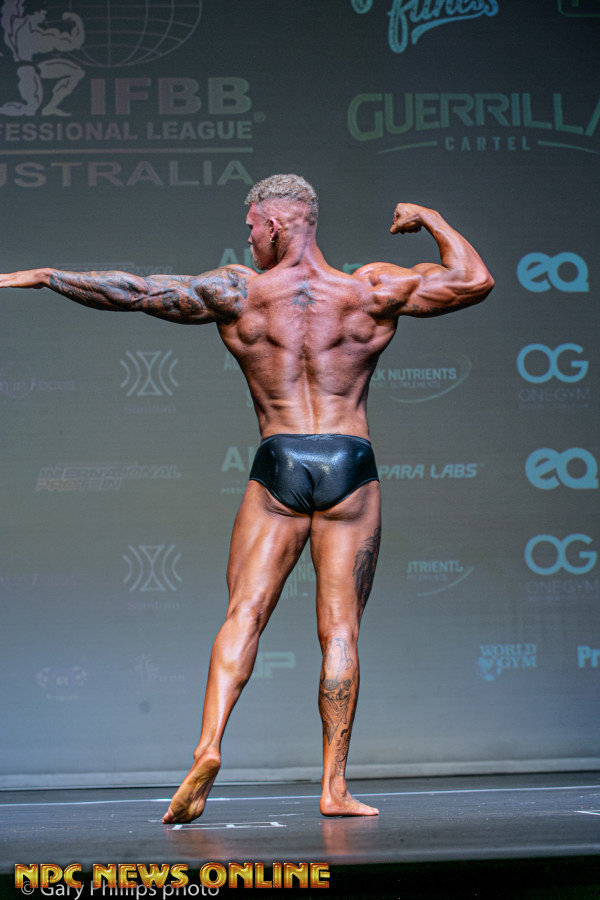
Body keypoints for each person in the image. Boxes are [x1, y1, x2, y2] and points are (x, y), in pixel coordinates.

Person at [0, 174, 494, 822]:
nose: (249, 239)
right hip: (349, 460)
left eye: (253, 227)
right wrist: (429, 215)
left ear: (277, 225)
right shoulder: (371, 288)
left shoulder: (240, 290)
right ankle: (334, 788)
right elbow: (474, 279)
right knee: (340, 631)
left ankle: (208, 747)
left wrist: (44, 276)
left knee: (244, 613)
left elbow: (136, 291)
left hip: (280, 458)